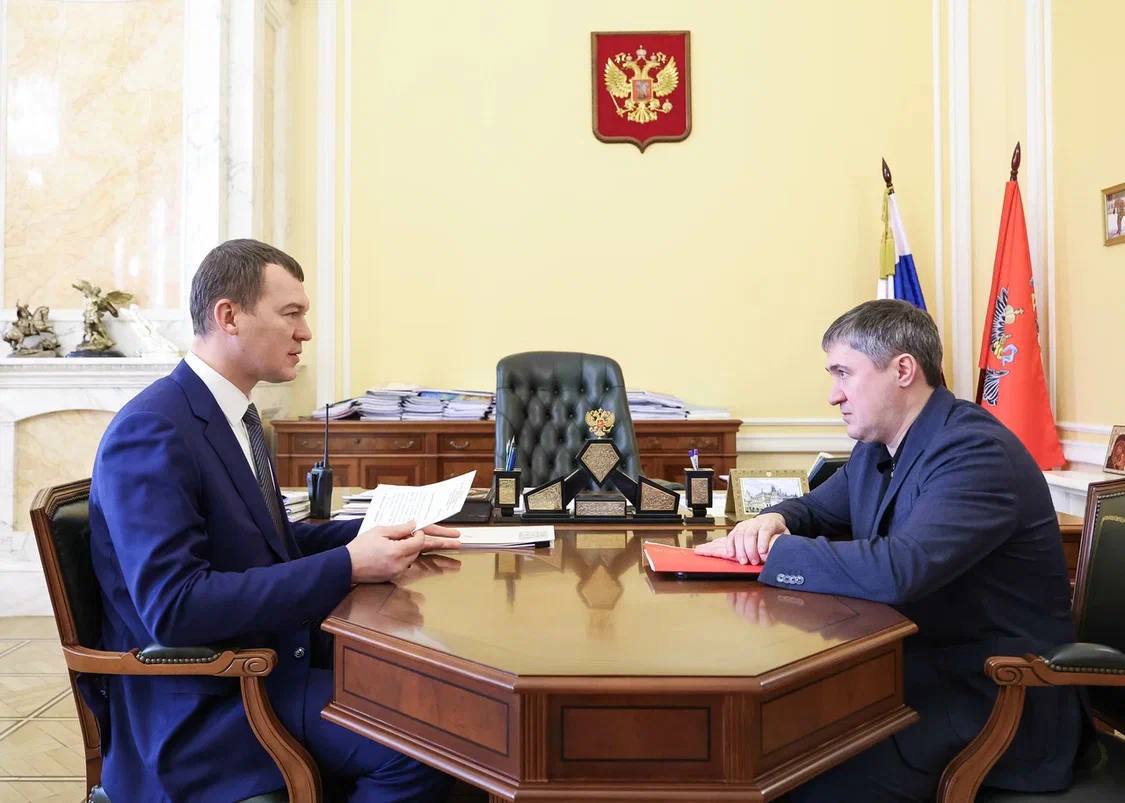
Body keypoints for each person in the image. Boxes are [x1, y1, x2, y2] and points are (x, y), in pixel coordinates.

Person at [87, 239, 460, 801]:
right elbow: (175, 608)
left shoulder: (233, 415)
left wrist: (375, 534)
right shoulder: (153, 429)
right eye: (291, 313)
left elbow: (269, 544)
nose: (305, 333)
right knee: (424, 748)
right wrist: (348, 565)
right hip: (209, 703)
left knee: (449, 703)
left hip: (265, 670)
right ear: (229, 316)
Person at [697, 299, 1082, 802]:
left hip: (991, 702)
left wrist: (775, 554)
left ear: (902, 370)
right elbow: (817, 509)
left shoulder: (974, 451)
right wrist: (773, 519)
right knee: (759, 749)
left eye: (843, 373)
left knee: (781, 781)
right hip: (910, 673)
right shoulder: (879, 447)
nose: (833, 395)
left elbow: (900, 570)